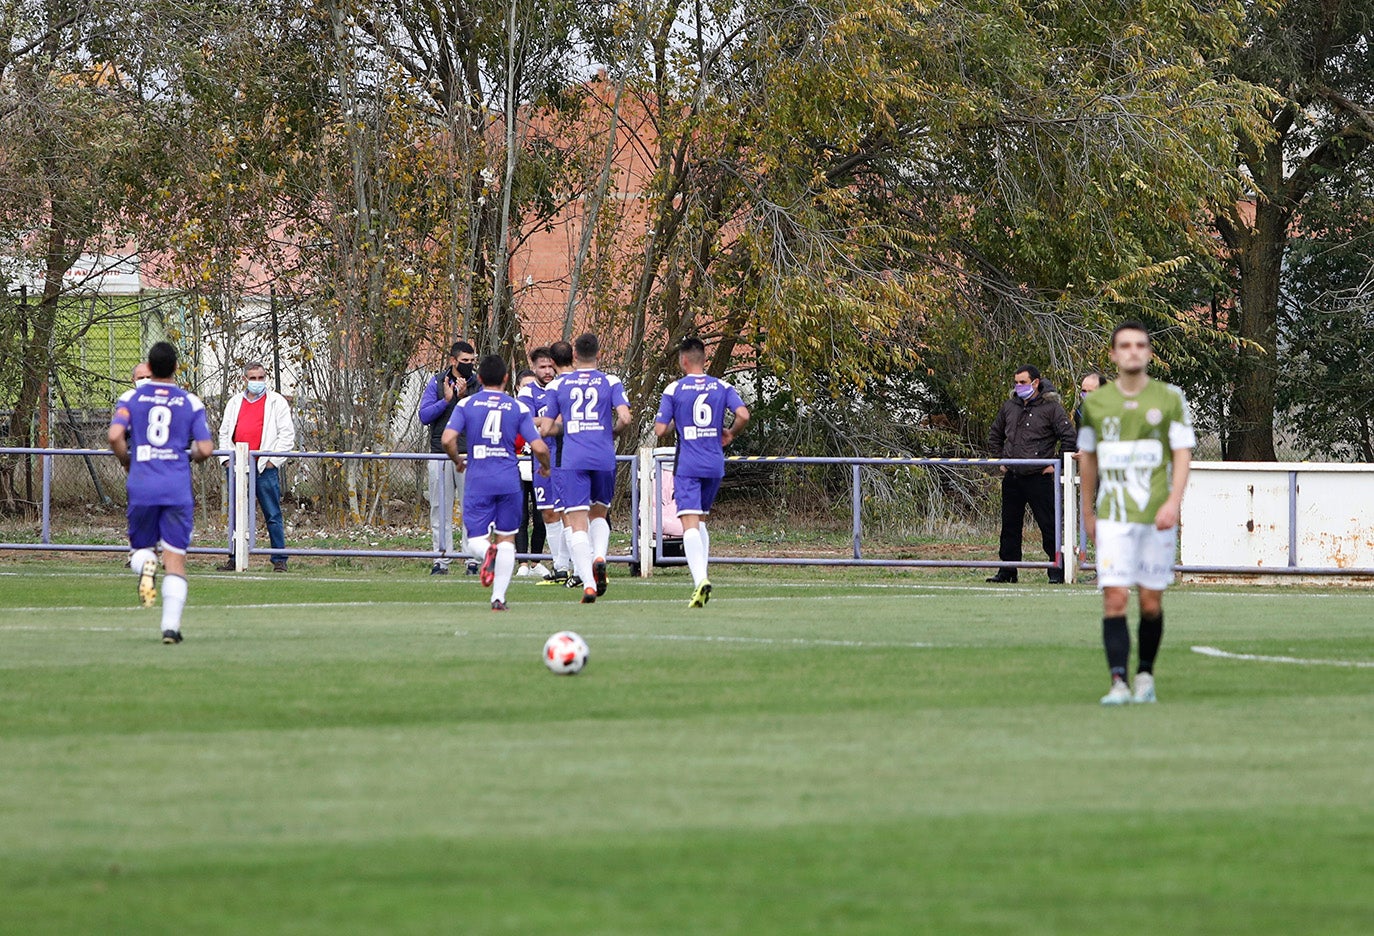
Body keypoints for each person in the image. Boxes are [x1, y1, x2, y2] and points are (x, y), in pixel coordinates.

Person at [1078, 322, 1194, 705]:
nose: (1132, 351)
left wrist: (1173, 502)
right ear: (1113, 354)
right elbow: (1088, 460)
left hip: (1155, 515)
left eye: (1140, 345)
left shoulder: (1169, 398)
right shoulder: (1095, 404)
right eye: (1124, 345)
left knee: (1150, 601)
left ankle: (1145, 674)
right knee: (1114, 597)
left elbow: (1181, 453)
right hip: (1113, 516)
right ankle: (1118, 682)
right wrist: (1088, 514)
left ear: (1148, 352)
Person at [108, 341, 214, 643]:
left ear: (150, 369)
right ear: (176, 369)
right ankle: (170, 627)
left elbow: (115, 435)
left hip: (142, 484)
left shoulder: (131, 397)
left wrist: (128, 460)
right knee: (176, 560)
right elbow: (205, 448)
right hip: (176, 486)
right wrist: (189, 454)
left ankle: (145, 565)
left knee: (141, 552)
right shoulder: (190, 402)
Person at [441, 355, 551, 611]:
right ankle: (498, 598)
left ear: (479, 379)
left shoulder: (467, 403)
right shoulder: (518, 408)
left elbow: (447, 439)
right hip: (509, 480)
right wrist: (545, 466)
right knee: (507, 540)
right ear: (505, 379)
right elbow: (539, 446)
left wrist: (457, 459)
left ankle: (486, 553)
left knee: (475, 540)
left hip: (479, 478)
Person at [653, 337, 750, 607]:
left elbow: (660, 430)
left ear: (683, 360)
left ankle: (700, 581)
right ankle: (703, 575)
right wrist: (731, 432)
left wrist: (676, 421)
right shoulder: (722, 386)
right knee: (702, 520)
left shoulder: (674, 389)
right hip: (714, 463)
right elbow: (743, 414)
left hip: (688, 464)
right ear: (704, 359)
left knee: (689, 523)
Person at [537, 332, 632, 603]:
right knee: (599, 513)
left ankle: (588, 584)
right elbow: (625, 417)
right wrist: (611, 431)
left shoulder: (557, 386)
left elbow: (546, 426)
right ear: (598, 354)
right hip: (602, 455)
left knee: (577, 521)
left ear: (575, 356)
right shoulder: (610, 381)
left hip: (573, 459)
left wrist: (567, 427)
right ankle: (600, 555)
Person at [986, 364, 1077, 584]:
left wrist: (1057, 466)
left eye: (1023, 383)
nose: (1018, 386)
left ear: (1035, 383)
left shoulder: (1052, 408)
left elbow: (1069, 437)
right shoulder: (1009, 406)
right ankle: (1007, 570)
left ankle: (1057, 570)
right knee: (1009, 527)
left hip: (1040, 478)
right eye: (1016, 383)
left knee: (1049, 526)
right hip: (1013, 477)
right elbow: (995, 434)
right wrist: (1001, 461)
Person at [217, 361, 296, 572]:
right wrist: (226, 460)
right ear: (244, 379)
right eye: (253, 378)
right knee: (236, 515)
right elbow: (224, 433)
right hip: (237, 466)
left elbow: (287, 435)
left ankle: (279, 560)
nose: (257, 382)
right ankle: (235, 558)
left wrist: (272, 461)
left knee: (272, 514)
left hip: (263, 467)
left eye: (261, 378)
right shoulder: (234, 403)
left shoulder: (276, 402)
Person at [418, 340, 479, 574]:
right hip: (440, 455)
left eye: (472, 362)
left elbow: (480, 418)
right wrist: (446, 400)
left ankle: (471, 559)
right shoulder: (436, 382)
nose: (469, 366)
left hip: (468, 454)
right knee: (439, 508)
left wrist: (463, 399)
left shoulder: (477, 385)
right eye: (464, 361)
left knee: (470, 509)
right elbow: (424, 416)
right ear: (453, 361)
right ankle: (441, 559)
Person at [533, 340, 576, 585]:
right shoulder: (598, 380)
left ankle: (578, 568)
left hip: (562, 457)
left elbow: (546, 426)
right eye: (542, 367)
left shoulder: (558, 387)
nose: (547, 371)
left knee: (570, 513)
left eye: (550, 366)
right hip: (590, 453)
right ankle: (565, 565)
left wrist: (544, 424)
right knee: (574, 512)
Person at [512, 368, 548, 578]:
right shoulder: (512, 410)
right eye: (525, 386)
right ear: (517, 388)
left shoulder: (543, 410)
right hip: (517, 465)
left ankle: (536, 560)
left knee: (541, 514)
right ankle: (522, 562)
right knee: (520, 515)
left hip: (537, 465)